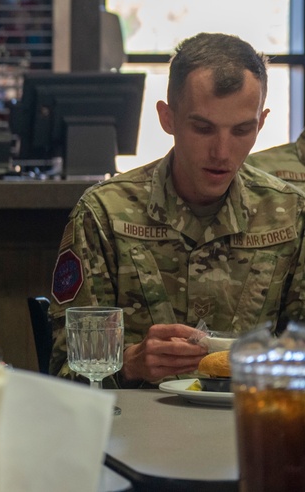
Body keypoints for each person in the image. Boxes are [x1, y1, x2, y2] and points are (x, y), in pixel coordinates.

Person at [49, 33, 305, 387]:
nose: (222, 151)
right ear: (167, 118)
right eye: (203, 128)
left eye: (242, 130)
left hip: (249, 426)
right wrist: (128, 365)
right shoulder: (105, 213)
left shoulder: (291, 214)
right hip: (139, 431)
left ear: (261, 123)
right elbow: (65, 373)